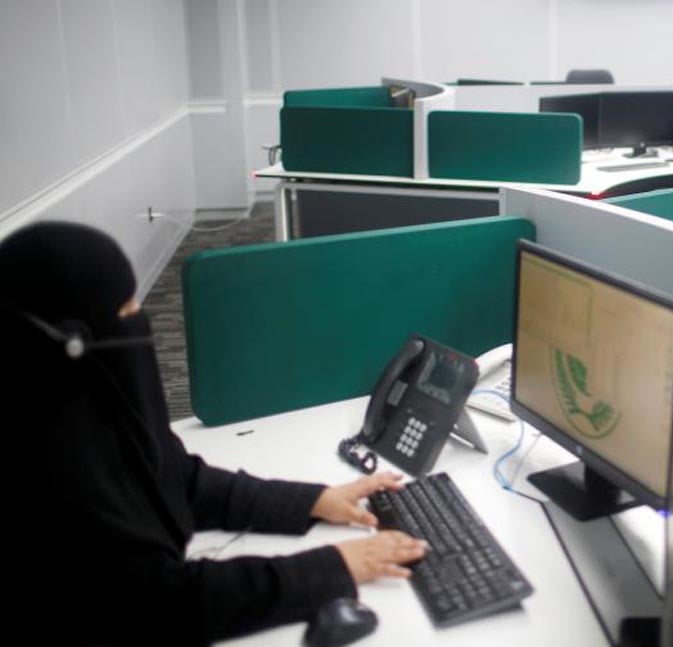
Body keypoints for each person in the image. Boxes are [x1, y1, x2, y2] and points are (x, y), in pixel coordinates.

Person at [1, 221, 426, 645]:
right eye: (128, 315)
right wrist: (333, 568)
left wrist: (312, 501)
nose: (140, 323)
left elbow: (177, 477)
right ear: (73, 341)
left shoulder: (79, 409)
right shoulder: (45, 467)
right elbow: (155, 606)